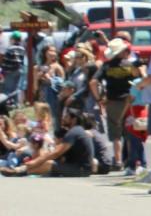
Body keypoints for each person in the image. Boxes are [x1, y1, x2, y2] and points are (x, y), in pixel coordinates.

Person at [1, 108, 95, 177]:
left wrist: (34, 162)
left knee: (49, 163)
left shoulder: (74, 131)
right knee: (48, 160)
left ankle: (19, 172)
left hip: (82, 170)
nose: (63, 118)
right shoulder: (75, 131)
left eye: (66, 117)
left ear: (73, 120)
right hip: (76, 166)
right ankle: (19, 170)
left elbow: (56, 153)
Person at [99, 38, 140, 169]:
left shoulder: (106, 66)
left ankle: (117, 161)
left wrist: (99, 97)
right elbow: (138, 81)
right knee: (129, 132)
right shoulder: (130, 65)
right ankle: (131, 160)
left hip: (112, 102)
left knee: (115, 134)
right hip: (129, 101)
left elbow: (94, 82)